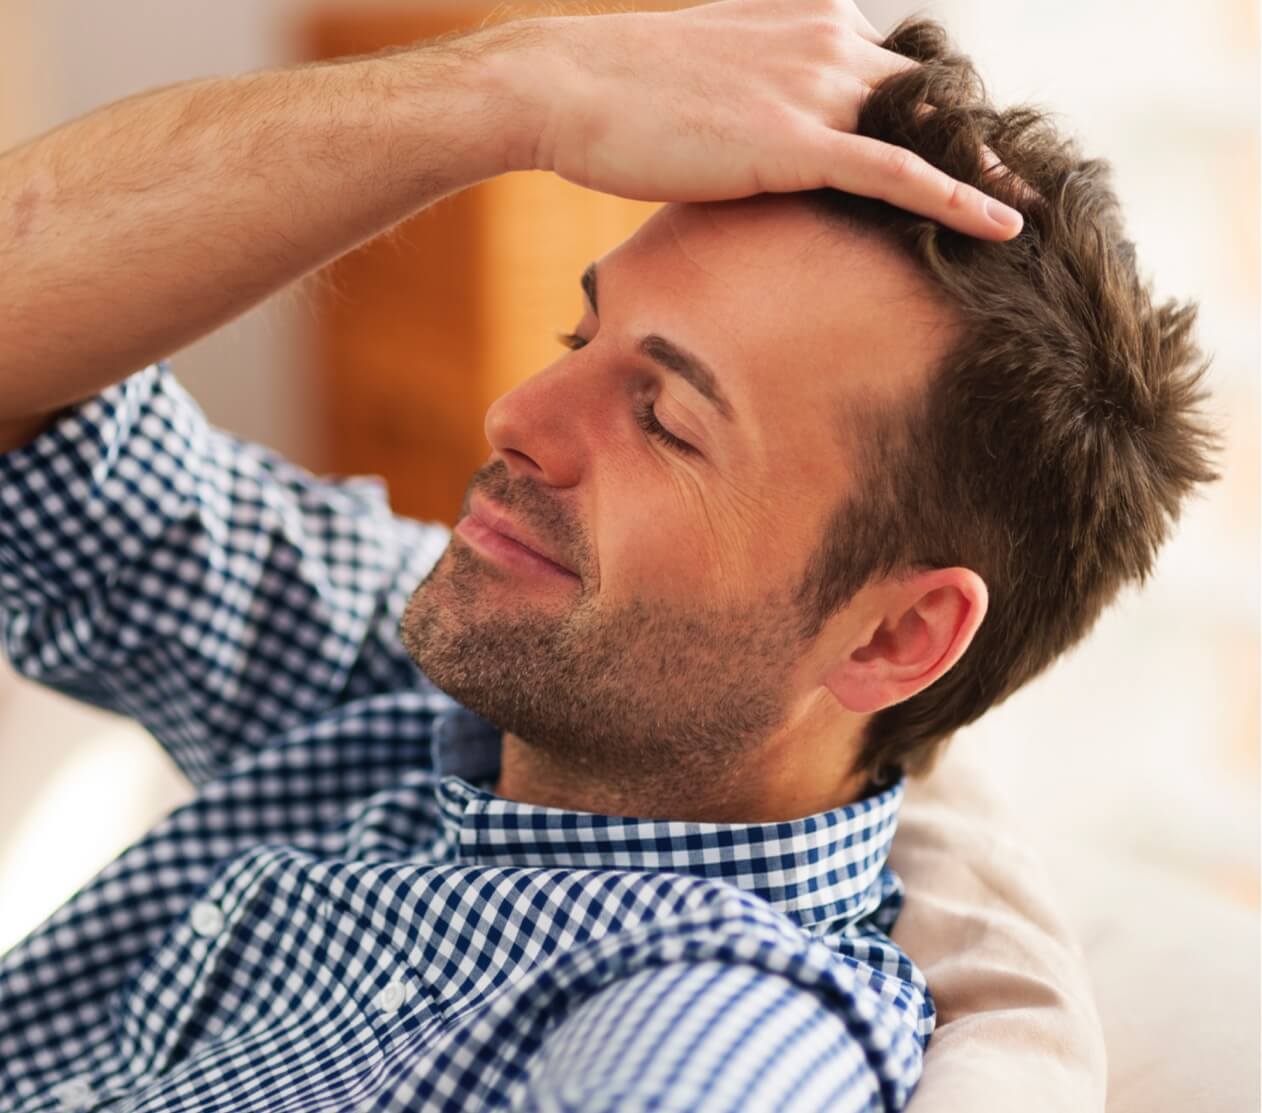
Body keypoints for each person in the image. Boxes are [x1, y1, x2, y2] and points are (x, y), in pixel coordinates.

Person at [0, 1, 1219, 1111]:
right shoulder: (429, 676)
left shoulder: (712, 1026)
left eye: (665, 422)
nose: (515, 418)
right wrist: (518, 91)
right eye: (577, 332)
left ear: (895, 635)